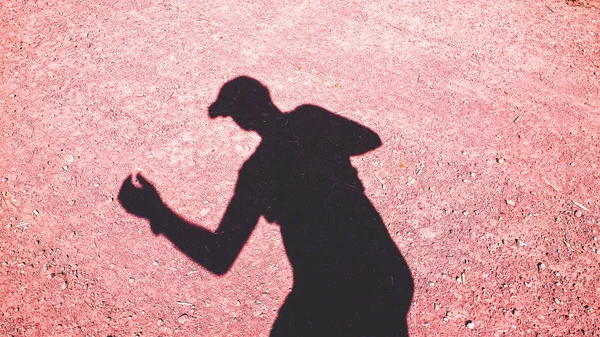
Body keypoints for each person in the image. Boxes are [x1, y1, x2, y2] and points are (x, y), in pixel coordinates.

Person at [118, 76, 414, 336]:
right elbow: (369, 139)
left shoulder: (257, 172)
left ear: (241, 121)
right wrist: (325, 153)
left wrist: (157, 212)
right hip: (386, 274)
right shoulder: (309, 120)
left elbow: (219, 257)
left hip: (327, 295)